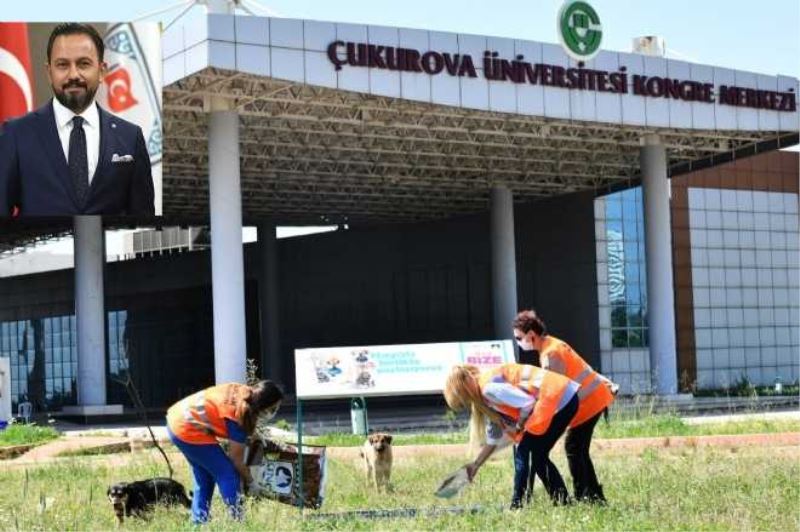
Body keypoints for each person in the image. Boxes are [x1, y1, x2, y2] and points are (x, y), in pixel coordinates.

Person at [0, 23, 155, 217]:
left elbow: (143, 223)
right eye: (62, 65)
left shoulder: (130, 137)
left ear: (102, 71)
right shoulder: (16, 134)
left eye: (83, 64)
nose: (73, 75)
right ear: (49, 73)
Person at [512, 309, 616, 504]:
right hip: (595, 399)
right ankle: (592, 495)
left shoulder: (550, 354)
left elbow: (554, 393)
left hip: (590, 403)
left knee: (574, 447)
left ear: (531, 335)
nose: (518, 342)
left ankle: (587, 496)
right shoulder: (553, 344)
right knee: (578, 448)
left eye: (519, 338)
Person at [443, 363, 579, 509]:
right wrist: (475, 465)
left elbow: (527, 403)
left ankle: (518, 506)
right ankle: (561, 502)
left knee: (527, 455)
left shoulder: (489, 389)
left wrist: (519, 425)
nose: (469, 404)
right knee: (535, 456)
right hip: (562, 396)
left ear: (466, 384)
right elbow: (493, 439)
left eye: (465, 400)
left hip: (559, 398)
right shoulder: (486, 396)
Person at [166, 380, 283, 524]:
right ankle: (238, 521)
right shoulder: (238, 415)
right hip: (186, 429)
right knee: (228, 473)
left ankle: (198, 523)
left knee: (205, 478)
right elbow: (236, 460)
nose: (273, 412)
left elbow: (245, 430)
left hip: (177, 419)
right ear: (263, 405)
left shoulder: (245, 393)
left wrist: (259, 438)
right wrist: (252, 482)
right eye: (273, 408)